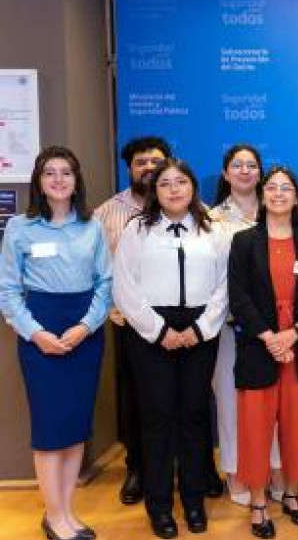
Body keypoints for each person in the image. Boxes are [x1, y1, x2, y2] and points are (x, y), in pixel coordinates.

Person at [113, 158, 229, 539]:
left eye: (181, 182)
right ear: (154, 191)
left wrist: (201, 328)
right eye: (165, 183)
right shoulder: (137, 230)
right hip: (150, 333)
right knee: (157, 419)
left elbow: (224, 285)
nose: (174, 189)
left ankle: (194, 501)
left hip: (200, 331)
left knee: (194, 416)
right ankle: (160, 506)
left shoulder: (213, 228)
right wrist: (158, 330)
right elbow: (124, 286)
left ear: (193, 187)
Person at [0, 146, 112, 540]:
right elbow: (8, 290)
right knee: (50, 428)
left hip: (84, 334)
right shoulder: (20, 227)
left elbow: (105, 284)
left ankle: (66, 512)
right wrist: (36, 333)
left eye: (67, 172)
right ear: (39, 180)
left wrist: (86, 326)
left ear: (77, 180)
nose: (59, 179)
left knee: (75, 425)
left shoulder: (92, 227)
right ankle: (53, 515)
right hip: (40, 333)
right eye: (50, 172)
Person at [228, 166, 298, 539]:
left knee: (297, 427)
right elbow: (239, 296)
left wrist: (294, 334)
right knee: (255, 429)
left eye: (286, 188)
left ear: (296, 198)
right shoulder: (244, 241)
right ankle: (257, 501)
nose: (279, 193)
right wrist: (271, 338)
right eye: (272, 187)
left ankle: (291, 493)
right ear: (262, 194)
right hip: (259, 347)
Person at [94, 135, 172, 505]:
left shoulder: (187, 206)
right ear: (128, 168)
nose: (149, 168)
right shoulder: (106, 214)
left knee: (185, 399)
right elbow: (97, 270)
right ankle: (137, 469)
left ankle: (189, 468)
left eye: (156, 161)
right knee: (136, 401)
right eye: (141, 162)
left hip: (178, 323)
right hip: (130, 324)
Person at [208, 144, 284, 507]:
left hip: (277, 330)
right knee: (230, 402)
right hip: (229, 325)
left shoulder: (278, 210)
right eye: (236, 165)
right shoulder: (210, 219)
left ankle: (274, 468)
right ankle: (236, 471)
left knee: (274, 404)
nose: (244, 171)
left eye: (251, 165)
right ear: (225, 173)